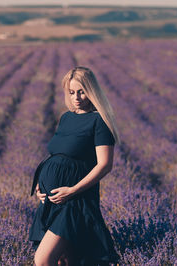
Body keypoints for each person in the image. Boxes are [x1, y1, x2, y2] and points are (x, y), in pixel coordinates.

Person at [28, 66, 120, 266]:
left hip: (75, 203)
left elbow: (105, 165)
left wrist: (72, 190)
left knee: (43, 260)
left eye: (81, 91)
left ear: (91, 91)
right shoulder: (66, 118)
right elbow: (58, 155)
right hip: (52, 201)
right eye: (71, 92)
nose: (76, 97)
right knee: (67, 261)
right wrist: (39, 186)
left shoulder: (99, 122)